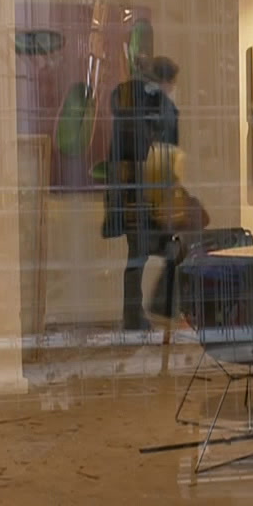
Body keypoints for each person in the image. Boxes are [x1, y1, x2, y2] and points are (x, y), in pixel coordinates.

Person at [102, 53, 181, 331]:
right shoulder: (153, 110)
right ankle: (149, 310)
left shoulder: (134, 106)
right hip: (144, 196)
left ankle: (143, 312)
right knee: (152, 253)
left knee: (145, 255)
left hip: (138, 195)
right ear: (165, 81)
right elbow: (158, 156)